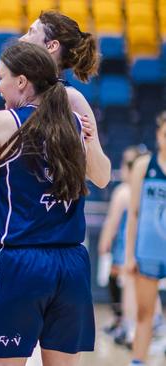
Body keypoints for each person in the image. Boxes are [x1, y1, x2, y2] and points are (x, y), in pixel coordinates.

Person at [0, 42, 107, 365]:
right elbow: (102, 177)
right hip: (71, 264)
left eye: (1, 77)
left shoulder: (3, 121)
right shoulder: (73, 122)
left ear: (22, 81)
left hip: (18, 262)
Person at [20, 10, 110, 188]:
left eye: (31, 32)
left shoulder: (72, 98)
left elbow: (102, 178)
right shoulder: (18, 89)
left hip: (57, 210)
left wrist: (89, 143)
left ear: (51, 46)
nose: (22, 39)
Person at [125, 112, 166, 366]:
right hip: (148, 252)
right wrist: (130, 255)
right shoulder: (144, 166)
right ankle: (138, 361)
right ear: (158, 135)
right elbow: (133, 215)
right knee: (144, 315)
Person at [98, 146, 146, 344]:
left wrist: (104, 242)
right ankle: (128, 325)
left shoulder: (123, 192)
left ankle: (126, 326)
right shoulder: (145, 190)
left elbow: (112, 222)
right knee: (135, 287)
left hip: (125, 247)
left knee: (122, 285)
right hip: (141, 246)